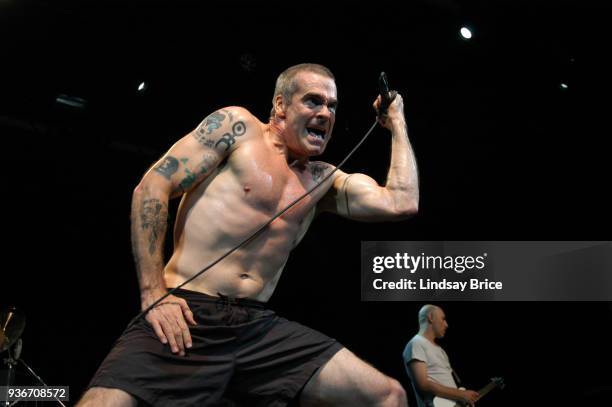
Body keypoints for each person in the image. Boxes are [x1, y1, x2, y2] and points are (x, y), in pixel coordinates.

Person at [78, 63, 419, 407]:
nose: (324, 113)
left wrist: (397, 124)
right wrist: (154, 293)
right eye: (313, 101)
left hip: (256, 329)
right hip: (188, 311)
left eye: (331, 106)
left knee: (388, 396)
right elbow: (152, 187)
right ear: (281, 106)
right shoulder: (237, 127)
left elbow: (402, 201)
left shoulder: (323, 180)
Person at [402, 305, 480, 407]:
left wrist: (462, 397)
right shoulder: (416, 343)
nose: (446, 325)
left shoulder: (440, 350)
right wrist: (461, 394)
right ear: (430, 317)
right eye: (443, 319)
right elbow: (423, 384)